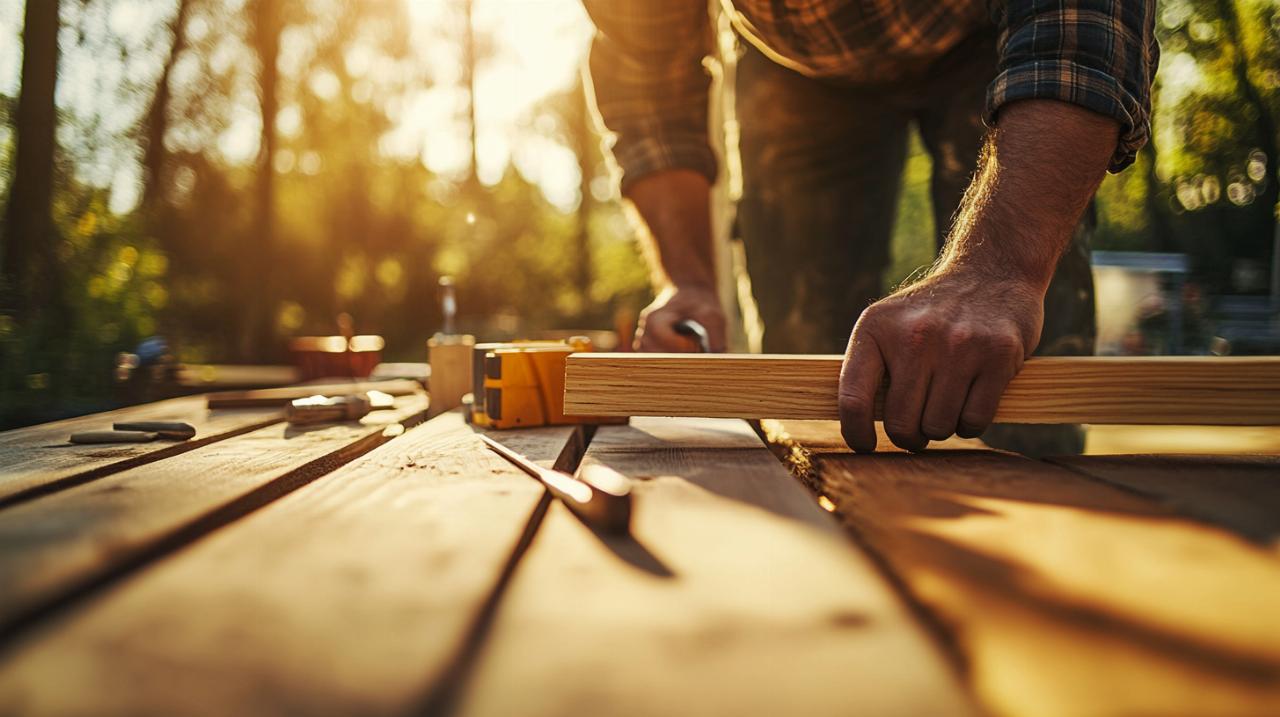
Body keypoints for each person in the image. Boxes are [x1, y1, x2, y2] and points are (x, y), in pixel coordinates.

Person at [582, 1, 1158, 455]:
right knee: (804, 377)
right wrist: (691, 282)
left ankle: (1044, 531)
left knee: (1013, 354)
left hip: (997, 29)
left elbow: (1080, 30)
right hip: (793, 61)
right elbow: (645, 78)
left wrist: (1002, 270)